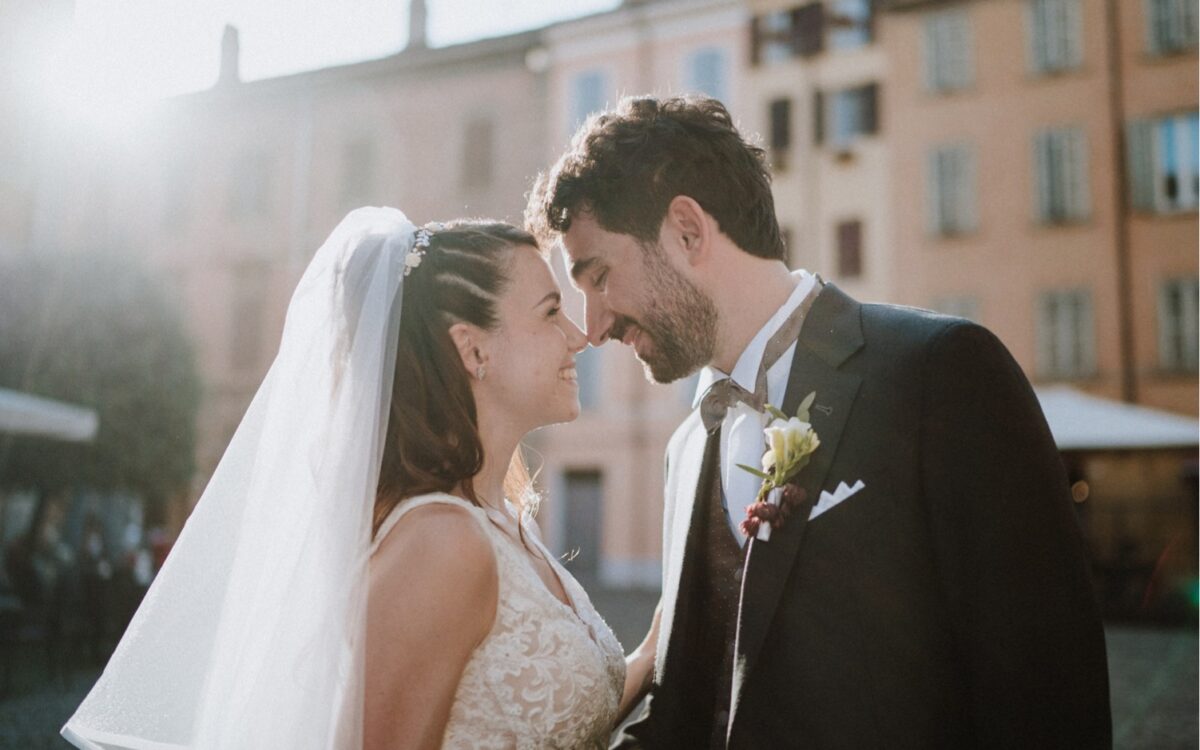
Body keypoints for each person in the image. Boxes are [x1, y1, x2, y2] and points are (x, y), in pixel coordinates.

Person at [526, 95, 1112, 748]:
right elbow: (689, 713)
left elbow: (1049, 697)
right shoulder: (687, 448)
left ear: (688, 230)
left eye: (599, 275)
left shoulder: (938, 374)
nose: (596, 326)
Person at [61, 208, 656, 749]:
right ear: (472, 350)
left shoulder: (501, 518)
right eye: (551, 313)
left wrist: (660, 640)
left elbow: (564, 712)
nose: (579, 337)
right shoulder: (440, 543)